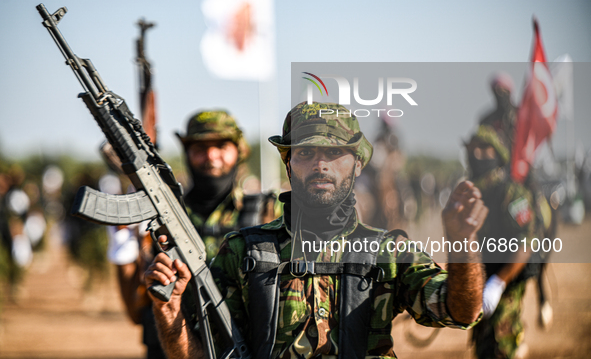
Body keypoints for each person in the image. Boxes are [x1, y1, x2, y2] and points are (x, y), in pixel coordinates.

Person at [146, 102, 488, 359]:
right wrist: (169, 311)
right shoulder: (243, 252)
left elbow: (461, 311)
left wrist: (462, 245)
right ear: (288, 162)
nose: (320, 164)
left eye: (334, 152)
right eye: (306, 152)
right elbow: (200, 354)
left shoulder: (387, 250)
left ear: (357, 163)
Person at [110, 110, 278, 359]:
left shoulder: (269, 212)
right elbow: (136, 311)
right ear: (187, 152)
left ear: (240, 151)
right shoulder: (159, 216)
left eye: (221, 146)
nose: (211, 156)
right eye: (200, 147)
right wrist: (122, 244)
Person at [465, 125, 552, 359]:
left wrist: (498, 283)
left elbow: (526, 244)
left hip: (506, 280)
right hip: (480, 279)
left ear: (498, 154)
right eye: (473, 149)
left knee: (501, 346)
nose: (477, 155)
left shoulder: (511, 193)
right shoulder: (471, 192)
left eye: (485, 149)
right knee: (483, 347)